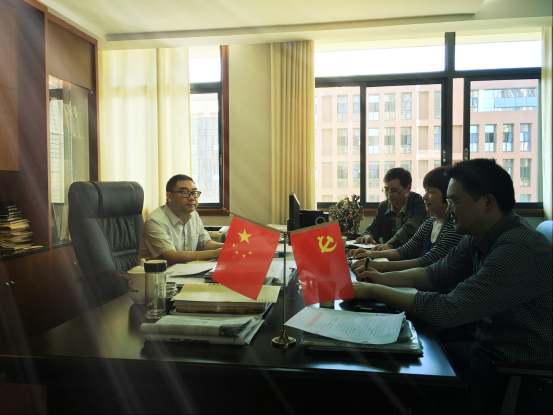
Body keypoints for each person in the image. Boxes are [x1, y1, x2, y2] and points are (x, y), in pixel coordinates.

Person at [351, 159, 552, 414]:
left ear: (487, 203)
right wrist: (377, 278)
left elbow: (447, 310)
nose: (449, 208)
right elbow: (435, 274)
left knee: (404, 391)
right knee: (396, 364)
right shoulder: (478, 236)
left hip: (520, 374)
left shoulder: (517, 248)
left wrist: (372, 290)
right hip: (486, 351)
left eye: (455, 201)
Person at [348, 167, 463, 273]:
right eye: (386, 190)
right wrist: (368, 252)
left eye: (431, 192)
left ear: (448, 195)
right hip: (410, 271)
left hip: (418, 275)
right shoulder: (430, 224)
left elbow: (426, 262)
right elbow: (404, 251)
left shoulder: (452, 227)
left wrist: (380, 264)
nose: (425, 197)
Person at [138, 174, 223, 265]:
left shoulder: (193, 215)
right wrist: (216, 254)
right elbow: (172, 257)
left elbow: (205, 244)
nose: (192, 198)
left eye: (194, 193)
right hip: (160, 273)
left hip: (186, 270)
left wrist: (228, 247)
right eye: (185, 193)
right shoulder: (155, 221)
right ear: (169, 196)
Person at [356, 167, 428, 251]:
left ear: (408, 189)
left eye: (394, 191)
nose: (389, 195)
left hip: (414, 255)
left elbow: (410, 229)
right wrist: (367, 236)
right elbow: (374, 228)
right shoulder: (384, 206)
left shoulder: (420, 204)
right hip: (388, 255)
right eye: (386, 190)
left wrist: (390, 245)